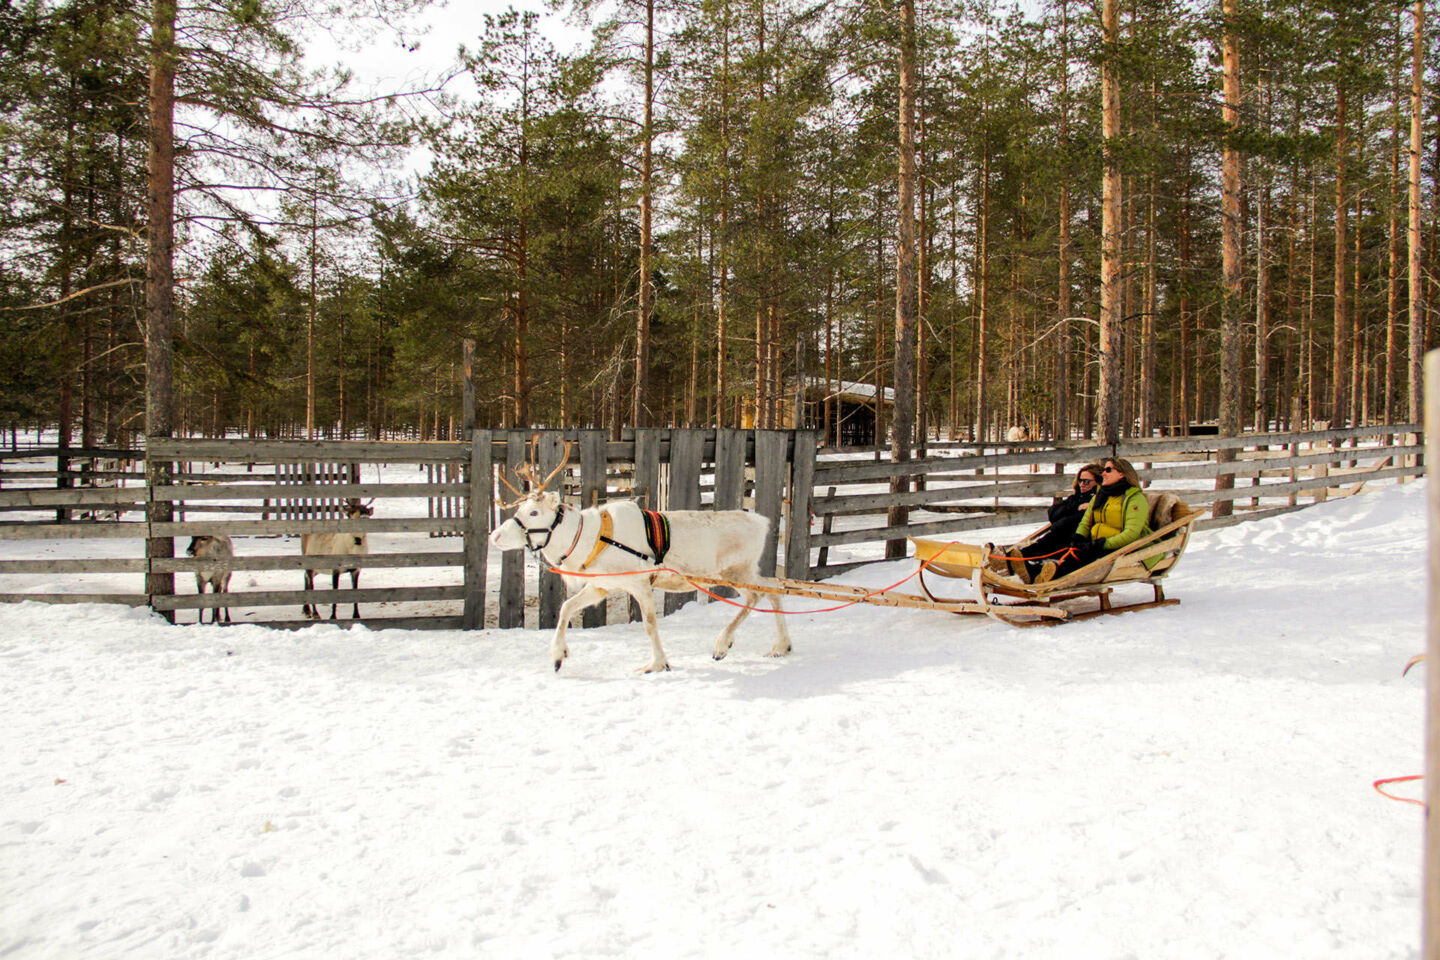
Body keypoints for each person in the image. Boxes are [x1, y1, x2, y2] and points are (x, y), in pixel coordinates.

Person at [1032, 457, 1152, 584]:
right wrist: (1078, 538)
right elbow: (1085, 522)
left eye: (1108, 470)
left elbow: (1131, 534)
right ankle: (1034, 572)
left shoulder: (1134, 499)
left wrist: (1102, 544)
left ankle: (1050, 578)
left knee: (1080, 560)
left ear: (1122, 473)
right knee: (1072, 552)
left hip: (1122, 548)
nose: (1103, 473)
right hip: (1097, 544)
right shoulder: (1102, 496)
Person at [996, 463, 1103, 583]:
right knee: (1039, 545)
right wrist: (1074, 509)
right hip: (1059, 534)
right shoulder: (1076, 498)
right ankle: (1006, 561)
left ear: (1098, 482)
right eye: (1080, 480)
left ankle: (1023, 570)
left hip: (1073, 539)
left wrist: (1061, 521)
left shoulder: (1097, 500)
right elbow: (1053, 512)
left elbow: (1072, 522)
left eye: (1087, 481)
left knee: (1048, 550)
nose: (1082, 484)